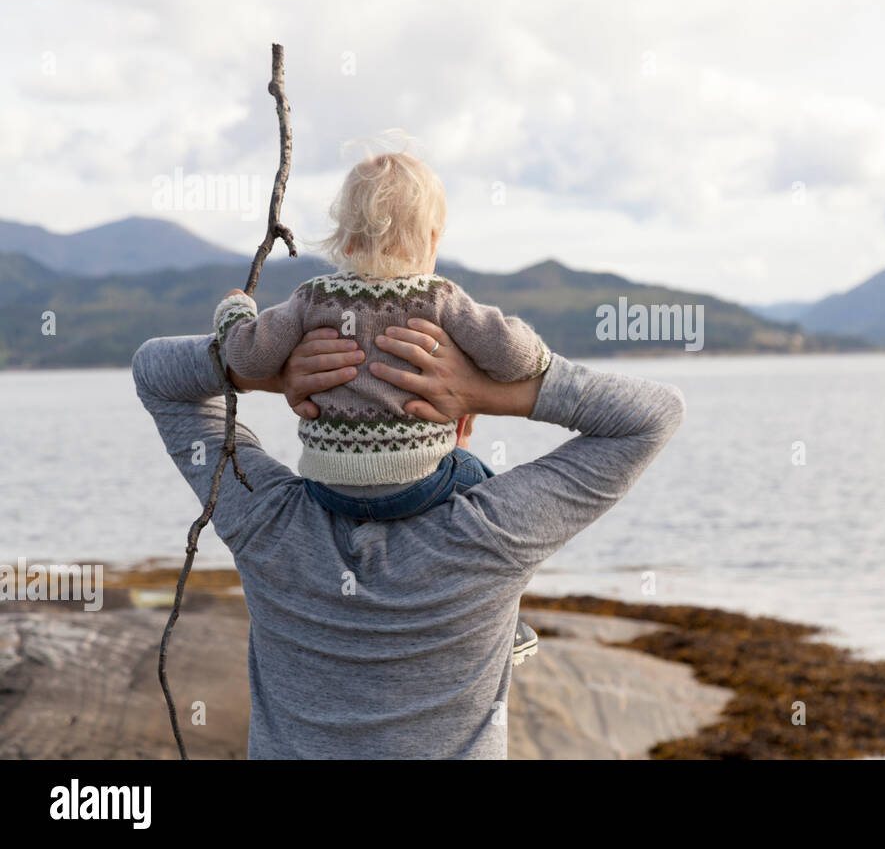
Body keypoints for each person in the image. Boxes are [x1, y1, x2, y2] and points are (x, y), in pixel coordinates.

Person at [133, 319, 684, 758]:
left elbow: (157, 374)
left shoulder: (265, 518)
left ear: (314, 416)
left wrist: (264, 369)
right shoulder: (490, 535)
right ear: (462, 421)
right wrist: (490, 390)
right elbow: (653, 415)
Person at [213, 150, 552, 661]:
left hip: (328, 490)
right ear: (433, 239)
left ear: (344, 237)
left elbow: (246, 355)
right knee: (485, 488)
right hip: (420, 484)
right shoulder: (439, 297)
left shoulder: (312, 298)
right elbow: (516, 359)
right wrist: (534, 346)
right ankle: (503, 617)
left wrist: (235, 312)